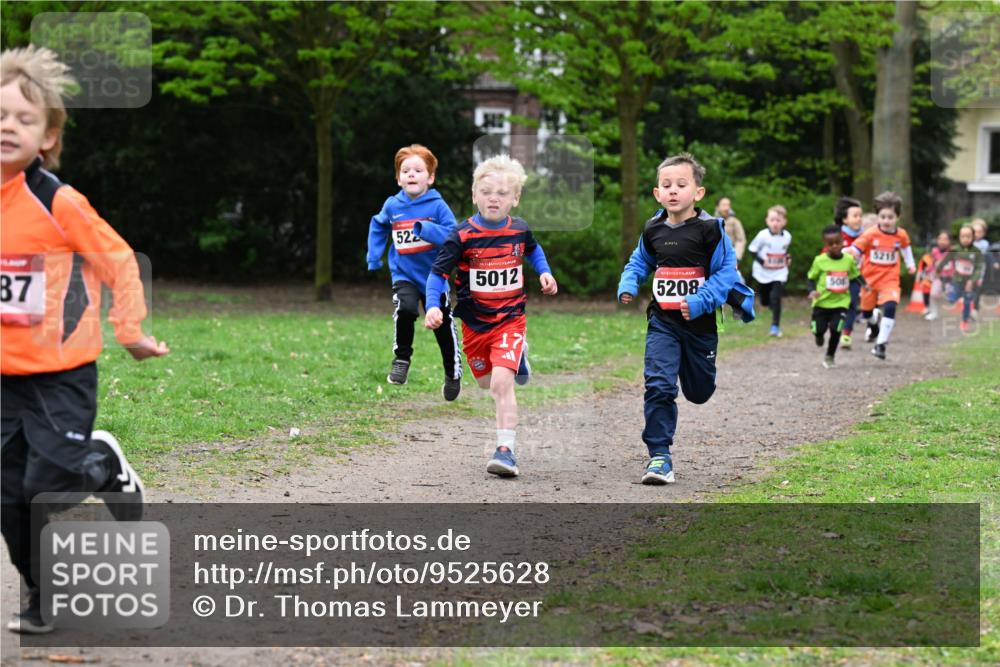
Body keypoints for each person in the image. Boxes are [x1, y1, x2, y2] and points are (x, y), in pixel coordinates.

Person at [1, 46, 169, 634]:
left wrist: (131, 330)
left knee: (44, 487)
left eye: (24, 119)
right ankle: (42, 595)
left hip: (61, 375)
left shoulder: (58, 201)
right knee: (9, 498)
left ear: (47, 137)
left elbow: (119, 261)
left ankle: (103, 464)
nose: (8, 126)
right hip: (3, 379)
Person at [617, 153, 754, 485]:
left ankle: (692, 372)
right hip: (663, 322)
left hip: (700, 326)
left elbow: (726, 273)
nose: (673, 190)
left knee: (699, 391)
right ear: (657, 193)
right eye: (666, 185)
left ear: (698, 192)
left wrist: (699, 301)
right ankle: (659, 456)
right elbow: (640, 261)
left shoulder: (711, 230)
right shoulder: (653, 228)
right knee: (658, 385)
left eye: (681, 184)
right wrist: (629, 282)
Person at [423, 155, 557, 477]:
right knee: (485, 382)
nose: (493, 198)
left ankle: (505, 451)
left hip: (510, 319)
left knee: (500, 384)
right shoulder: (461, 236)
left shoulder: (519, 230)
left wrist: (544, 272)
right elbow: (437, 274)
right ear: (474, 195)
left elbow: (533, 250)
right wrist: (432, 306)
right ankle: (519, 357)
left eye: (501, 193)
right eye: (486, 192)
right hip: (474, 323)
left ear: (515, 198)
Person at [366, 144, 462, 400]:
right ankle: (402, 359)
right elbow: (378, 225)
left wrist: (426, 229)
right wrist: (374, 256)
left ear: (430, 178)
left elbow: (454, 235)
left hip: (435, 276)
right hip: (404, 274)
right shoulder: (392, 205)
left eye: (418, 170)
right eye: (405, 170)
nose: (411, 174)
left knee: (442, 326)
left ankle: (452, 372)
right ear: (398, 178)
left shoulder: (437, 206)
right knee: (406, 309)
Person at [848, 191, 916, 360]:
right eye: (883, 217)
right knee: (866, 313)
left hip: (890, 279)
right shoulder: (870, 234)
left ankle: (880, 345)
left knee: (891, 305)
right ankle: (874, 324)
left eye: (890, 217)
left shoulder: (901, 235)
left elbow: (906, 248)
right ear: (878, 216)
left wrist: (910, 264)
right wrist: (847, 254)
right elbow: (856, 249)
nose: (886, 221)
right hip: (869, 280)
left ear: (897, 217)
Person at [808, 225, 862, 368]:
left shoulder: (848, 260)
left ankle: (830, 356)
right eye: (830, 244)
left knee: (836, 329)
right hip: (821, 303)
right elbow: (811, 278)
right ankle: (818, 335)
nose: (835, 246)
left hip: (841, 303)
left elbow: (856, 276)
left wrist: (866, 286)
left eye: (838, 242)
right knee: (818, 330)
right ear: (825, 244)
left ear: (843, 241)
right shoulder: (819, 261)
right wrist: (812, 290)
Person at [747, 204, 791, 337]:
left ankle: (775, 326)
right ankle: (769, 304)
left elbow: (783, 252)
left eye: (778, 220)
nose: (775, 223)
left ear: (784, 222)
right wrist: (762, 261)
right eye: (772, 220)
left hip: (779, 272)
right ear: (767, 221)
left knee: (776, 298)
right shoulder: (762, 235)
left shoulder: (787, 236)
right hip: (763, 273)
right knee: (765, 301)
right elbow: (752, 250)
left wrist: (787, 258)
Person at [936, 224, 985, 333]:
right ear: (959, 237)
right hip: (957, 280)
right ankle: (951, 294)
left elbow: (979, 268)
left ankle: (964, 321)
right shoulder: (955, 249)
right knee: (952, 299)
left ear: (973, 237)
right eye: (963, 236)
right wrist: (938, 270)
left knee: (967, 302)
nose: (965, 239)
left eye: (968, 236)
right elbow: (945, 260)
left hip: (970, 283)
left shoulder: (977, 252)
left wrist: (972, 280)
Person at [831, 196, 864, 349]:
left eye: (860, 215)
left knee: (852, 304)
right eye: (855, 216)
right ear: (845, 219)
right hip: (836, 277)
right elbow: (825, 254)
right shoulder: (837, 236)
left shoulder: (866, 236)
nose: (859, 219)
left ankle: (846, 334)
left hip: (855, 277)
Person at [924, 232, 952, 321]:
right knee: (933, 294)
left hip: (949, 279)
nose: (942, 241)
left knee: (949, 296)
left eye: (945, 239)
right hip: (938, 278)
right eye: (940, 239)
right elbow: (932, 263)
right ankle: (934, 313)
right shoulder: (935, 251)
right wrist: (928, 271)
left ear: (949, 241)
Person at [714, 197, 746, 261]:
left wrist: (736, 257)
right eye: (724, 205)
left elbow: (740, 240)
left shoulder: (735, 222)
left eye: (728, 205)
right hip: (715, 258)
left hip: (729, 257)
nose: (727, 208)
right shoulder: (712, 221)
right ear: (717, 207)